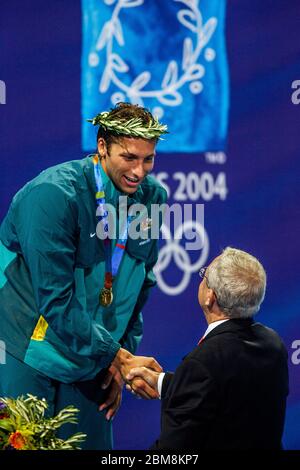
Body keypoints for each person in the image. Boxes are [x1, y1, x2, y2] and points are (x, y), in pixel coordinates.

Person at [0, 103, 167, 449]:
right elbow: (56, 301)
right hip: (29, 353)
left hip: (95, 358)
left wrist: (121, 361)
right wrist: (117, 356)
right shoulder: (52, 196)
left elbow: (140, 287)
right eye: (129, 157)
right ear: (102, 147)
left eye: (148, 159)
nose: (139, 171)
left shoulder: (153, 200)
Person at [127, 247, 289, 450]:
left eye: (204, 275)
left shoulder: (203, 362)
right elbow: (231, 395)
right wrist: (164, 383)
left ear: (209, 297)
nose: (201, 278)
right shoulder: (272, 344)